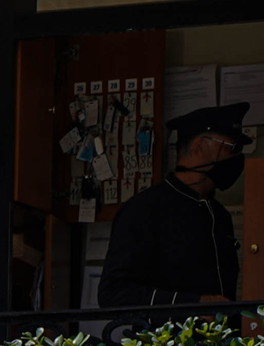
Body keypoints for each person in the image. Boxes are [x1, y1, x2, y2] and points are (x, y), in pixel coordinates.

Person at [97, 103, 252, 309]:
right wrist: (192, 305)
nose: (236, 158)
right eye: (232, 148)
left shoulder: (219, 215)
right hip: (164, 340)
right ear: (200, 146)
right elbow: (113, 293)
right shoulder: (145, 209)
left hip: (221, 339)